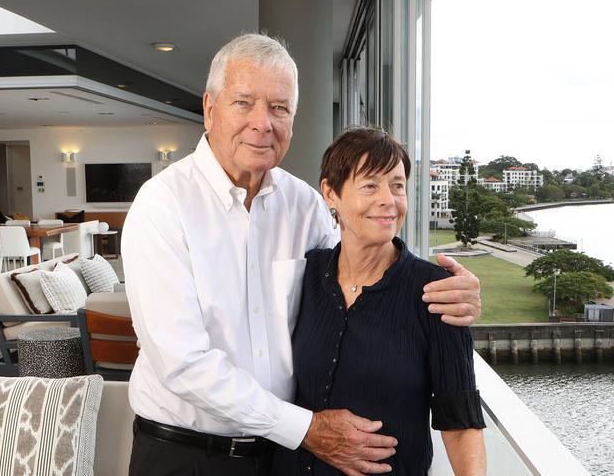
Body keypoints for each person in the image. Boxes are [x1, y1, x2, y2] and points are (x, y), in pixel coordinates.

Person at [122, 33, 482, 476]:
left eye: (279, 108)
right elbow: (182, 362)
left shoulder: (305, 204)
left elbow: (358, 277)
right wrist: (304, 428)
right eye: (243, 103)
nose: (262, 123)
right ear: (209, 107)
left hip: (283, 460)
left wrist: (447, 289)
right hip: (188, 456)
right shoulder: (162, 204)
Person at [271, 127, 486, 476]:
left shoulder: (436, 292)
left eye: (397, 186)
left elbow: (460, 421)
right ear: (330, 192)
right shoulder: (307, 275)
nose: (389, 200)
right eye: (370, 185)